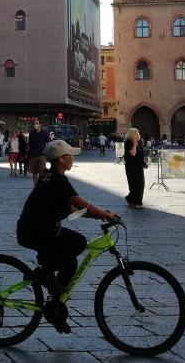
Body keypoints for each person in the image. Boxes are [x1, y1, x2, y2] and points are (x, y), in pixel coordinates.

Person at [17, 140, 118, 333]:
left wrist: (99, 215)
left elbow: (72, 209)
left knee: (70, 263)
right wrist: (105, 215)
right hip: (38, 231)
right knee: (78, 242)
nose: (73, 158)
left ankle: (55, 308)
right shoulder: (58, 179)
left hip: (34, 230)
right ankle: (44, 274)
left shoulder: (49, 177)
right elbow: (82, 204)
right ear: (62, 159)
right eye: (70, 155)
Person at [123, 127, 146, 209]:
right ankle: (137, 202)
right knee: (135, 184)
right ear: (133, 134)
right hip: (132, 167)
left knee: (141, 184)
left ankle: (130, 199)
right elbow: (133, 154)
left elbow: (140, 154)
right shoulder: (128, 142)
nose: (138, 134)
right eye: (136, 133)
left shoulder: (139, 142)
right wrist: (134, 145)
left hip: (139, 166)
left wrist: (144, 162)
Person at [26, 119, 50, 186]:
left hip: (41, 155)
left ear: (40, 125)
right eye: (34, 124)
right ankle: (36, 186)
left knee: (41, 172)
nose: (35, 125)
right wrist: (26, 153)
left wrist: (48, 153)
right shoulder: (31, 133)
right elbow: (29, 144)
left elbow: (48, 143)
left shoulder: (44, 133)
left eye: (36, 123)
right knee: (34, 172)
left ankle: (41, 186)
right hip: (32, 155)